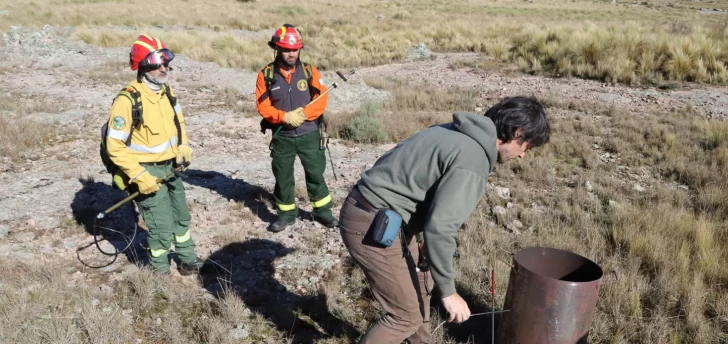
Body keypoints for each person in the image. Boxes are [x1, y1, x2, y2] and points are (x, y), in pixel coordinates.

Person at [337, 96, 551, 343]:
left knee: (422, 281)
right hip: (371, 222)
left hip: (381, 216)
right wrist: (449, 293)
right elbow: (440, 227)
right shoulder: (473, 159)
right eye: (528, 147)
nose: (524, 156)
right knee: (405, 316)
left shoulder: (453, 130)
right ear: (517, 133)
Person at [104, 34, 203, 275]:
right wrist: (139, 175)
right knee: (161, 225)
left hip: (171, 168)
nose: (163, 67)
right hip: (145, 171)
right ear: (141, 66)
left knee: (181, 216)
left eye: (165, 61)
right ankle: (159, 271)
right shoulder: (128, 100)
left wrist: (183, 147)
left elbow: (178, 123)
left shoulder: (166, 92)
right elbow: (114, 146)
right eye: (155, 63)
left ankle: (187, 259)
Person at [255, 24, 338, 232]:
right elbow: (262, 106)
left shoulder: (310, 71)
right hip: (282, 136)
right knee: (283, 178)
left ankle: (322, 211)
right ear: (277, 48)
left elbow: (321, 99)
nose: (291, 54)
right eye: (286, 49)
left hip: (309, 134)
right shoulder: (265, 75)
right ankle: (286, 215)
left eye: (295, 49)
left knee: (316, 174)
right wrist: (284, 117)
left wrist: (304, 115)